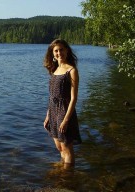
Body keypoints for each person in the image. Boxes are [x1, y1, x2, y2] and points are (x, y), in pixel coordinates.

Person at [43, 39, 82, 167]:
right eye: (56, 51)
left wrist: (66, 120)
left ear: (67, 51)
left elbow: (73, 98)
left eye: (61, 50)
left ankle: (68, 176)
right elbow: (52, 96)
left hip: (64, 111)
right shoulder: (54, 69)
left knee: (66, 146)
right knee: (59, 147)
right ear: (52, 53)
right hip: (53, 111)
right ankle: (63, 167)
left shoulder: (71, 71)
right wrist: (48, 115)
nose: (59, 53)